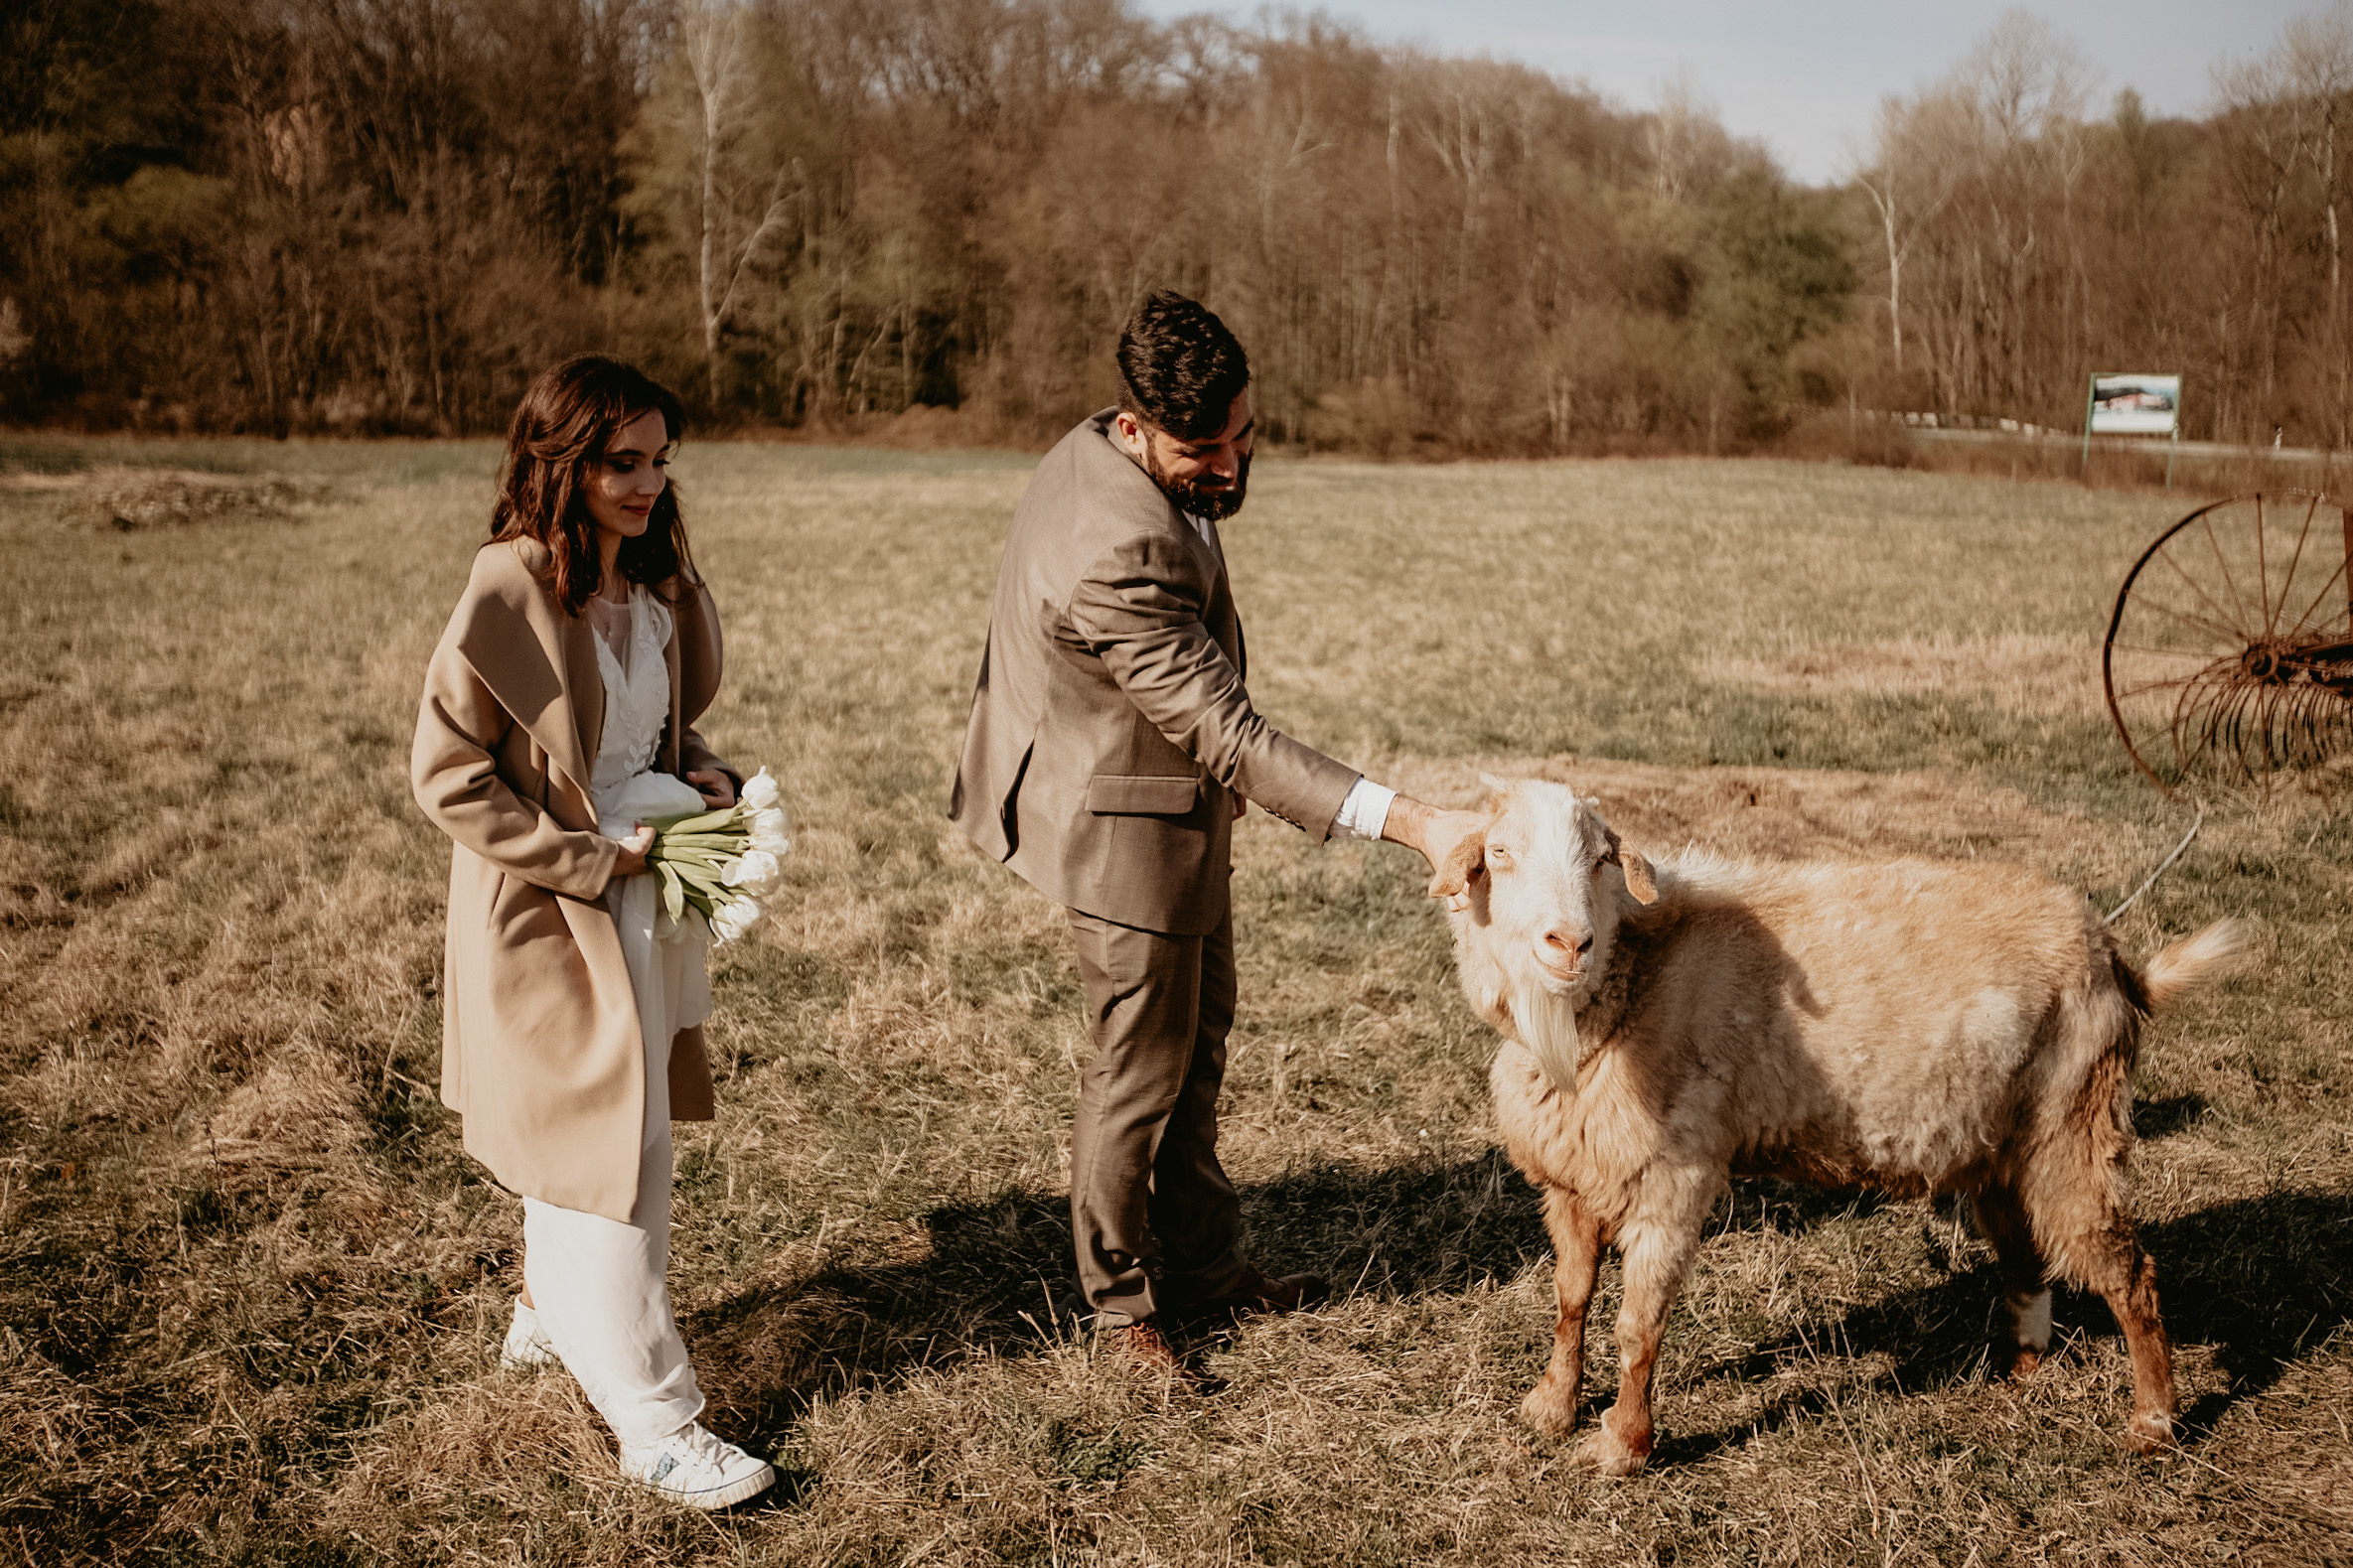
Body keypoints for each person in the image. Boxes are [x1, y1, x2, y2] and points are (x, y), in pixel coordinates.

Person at [950, 290, 1487, 1379]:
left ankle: (1210, 1267)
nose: (1233, 467)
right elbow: (1227, 733)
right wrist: (1417, 822)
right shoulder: (1116, 547)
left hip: (1165, 796)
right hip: (1119, 826)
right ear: (1135, 425)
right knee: (1139, 1071)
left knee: (1199, 1050)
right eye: (1205, 450)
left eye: (1245, 433)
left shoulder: (1114, 447)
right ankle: (1118, 1306)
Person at [410, 355, 775, 1507]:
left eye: (661, 461)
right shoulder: (510, 584)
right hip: (547, 914)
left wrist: (702, 776)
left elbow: (650, 741)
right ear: (558, 461)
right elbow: (447, 776)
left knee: (618, 1121)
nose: (649, 483)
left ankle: (542, 1311)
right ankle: (656, 1423)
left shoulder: (657, 590)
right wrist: (582, 858)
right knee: (614, 1153)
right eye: (623, 461)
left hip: (648, 903)